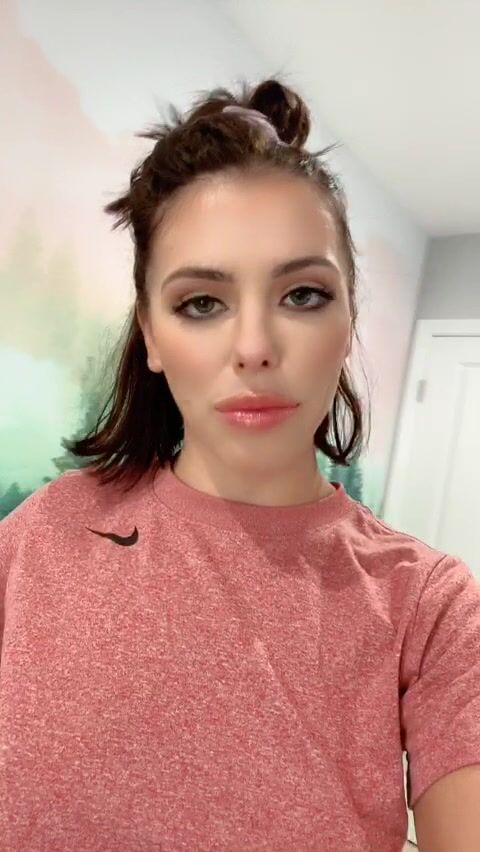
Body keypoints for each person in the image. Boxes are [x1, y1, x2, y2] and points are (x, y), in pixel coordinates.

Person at [0, 78, 479, 852]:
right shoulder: (45, 534)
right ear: (151, 337)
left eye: (302, 294)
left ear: (349, 319)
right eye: (202, 303)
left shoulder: (430, 606)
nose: (254, 346)